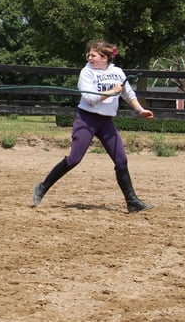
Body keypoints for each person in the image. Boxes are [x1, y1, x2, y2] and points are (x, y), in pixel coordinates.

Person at [32, 40, 155, 213]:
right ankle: (42, 187)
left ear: (105, 57)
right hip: (87, 119)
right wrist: (111, 92)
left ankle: (132, 201)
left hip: (106, 122)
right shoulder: (86, 73)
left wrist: (140, 110)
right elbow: (89, 99)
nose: (89, 58)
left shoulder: (118, 72)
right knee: (74, 159)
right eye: (89, 55)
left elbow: (128, 94)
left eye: (94, 55)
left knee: (121, 160)